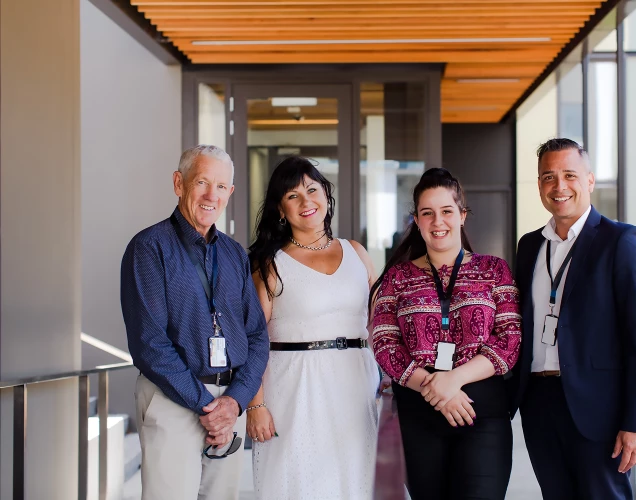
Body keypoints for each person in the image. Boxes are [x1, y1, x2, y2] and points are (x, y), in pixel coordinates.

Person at [510, 138, 636, 499]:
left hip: (599, 408)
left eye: (569, 175)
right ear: (539, 185)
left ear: (589, 180)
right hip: (539, 403)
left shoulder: (621, 240)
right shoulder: (530, 246)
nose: (559, 186)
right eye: (548, 177)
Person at [121, 145, 269, 500]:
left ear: (230, 193)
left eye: (221, 187)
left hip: (227, 402)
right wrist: (208, 406)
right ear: (178, 183)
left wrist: (234, 402)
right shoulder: (149, 247)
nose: (210, 195)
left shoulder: (234, 254)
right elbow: (150, 344)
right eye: (202, 182)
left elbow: (256, 336)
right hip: (172, 399)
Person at [371, 167, 521, 500]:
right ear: (417, 220)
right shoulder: (396, 278)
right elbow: (384, 344)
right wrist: (434, 386)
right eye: (428, 213)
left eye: (447, 211)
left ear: (462, 215)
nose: (438, 221)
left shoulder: (494, 270)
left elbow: (509, 340)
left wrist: (454, 380)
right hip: (418, 413)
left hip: (482, 414)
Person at [247, 156, 381, 500]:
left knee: (355, 479)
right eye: (292, 196)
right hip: (294, 388)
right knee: (298, 481)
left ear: (326, 194)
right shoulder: (269, 265)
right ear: (281, 209)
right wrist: (256, 404)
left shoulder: (356, 252)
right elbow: (253, 339)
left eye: (311, 189)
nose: (306, 201)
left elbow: (383, 322)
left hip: (355, 383)